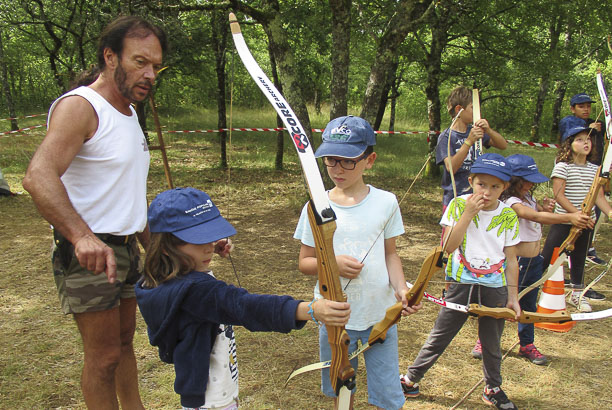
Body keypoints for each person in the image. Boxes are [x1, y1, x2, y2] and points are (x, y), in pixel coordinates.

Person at [22, 16, 167, 408]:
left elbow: (127, 196)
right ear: (110, 57)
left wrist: (160, 249)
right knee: (102, 358)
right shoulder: (81, 106)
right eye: (140, 62)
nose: (150, 74)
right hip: (91, 254)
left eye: (155, 65)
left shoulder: (129, 113)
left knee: (123, 346)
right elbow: (38, 176)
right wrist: (80, 236)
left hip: (125, 251)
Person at [136, 187, 351, 409]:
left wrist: (209, 247)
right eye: (199, 240)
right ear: (167, 248)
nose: (209, 246)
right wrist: (310, 310)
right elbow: (245, 307)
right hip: (212, 400)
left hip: (208, 391)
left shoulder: (165, 278)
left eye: (210, 237)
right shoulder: (194, 291)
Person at [294, 115, 420, 410]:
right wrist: (332, 264)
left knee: (388, 395)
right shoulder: (315, 206)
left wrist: (402, 290)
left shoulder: (386, 202)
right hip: (335, 318)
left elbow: (391, 254)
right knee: (343, 388)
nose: (337, 169)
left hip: (380, 316)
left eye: (348, 160)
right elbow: (305, 262)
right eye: (330, 161)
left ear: (370, 159)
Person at [400, 153, 521, 410]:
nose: (487, 192)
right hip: (460, 283)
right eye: (481, 184)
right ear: (471, 181)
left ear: (505, 187)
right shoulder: (457, 205)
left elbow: (511, 259)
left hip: (495, 286)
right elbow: (448, 247)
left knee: (492, 341)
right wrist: (467, 214)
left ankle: (493, 387)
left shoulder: (508, 215)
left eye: (495, 186)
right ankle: (411, 379)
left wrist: (513, 296)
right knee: (441, 334)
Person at [470, 154, 592, 365]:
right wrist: (569, 217)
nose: (530, 184)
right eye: (525, 180)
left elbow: (537, 218)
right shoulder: (510, 201)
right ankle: (484, 341)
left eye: (531, 181)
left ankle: (526, 344)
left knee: (528, 306)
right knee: (498, 303)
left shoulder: (528, 198)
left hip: (533, 261)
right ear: (513, 180)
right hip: (516, 262)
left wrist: (545, 209)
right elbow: (533, 217)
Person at [541, 116, 612, 312]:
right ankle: (528, 287)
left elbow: (598, 197)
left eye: (588, 139)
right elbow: (559, 195)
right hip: (564, 220)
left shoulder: (595, 169)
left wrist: (610, 212)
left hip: (586, 222)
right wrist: (576, 214)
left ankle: (577, 295)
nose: (585, 143)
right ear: (569, 144)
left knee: (579, 259)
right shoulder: (563, 166)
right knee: (548, 257)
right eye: (579, 140)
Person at [435, 86, 508, 208]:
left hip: (477, 197)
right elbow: (451, 168)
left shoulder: (476, 131)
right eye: (473, 108)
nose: (477, 113)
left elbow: (502, 145)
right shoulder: (446, 137)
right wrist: (469, 142)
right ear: (459, 109)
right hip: (455, 199)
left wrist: (488, 130)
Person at [562, 93, 607, 266]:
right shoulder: (569, 121)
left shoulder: (594, 125)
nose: (586, 109)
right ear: (573, 108)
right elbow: (571, 132)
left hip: (592, 169)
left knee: (595, 207)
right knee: (576, 206)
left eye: (588, 106)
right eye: (581, 106)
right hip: (574, 169)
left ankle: (587, 247)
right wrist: (591, 128)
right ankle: (568, 246)